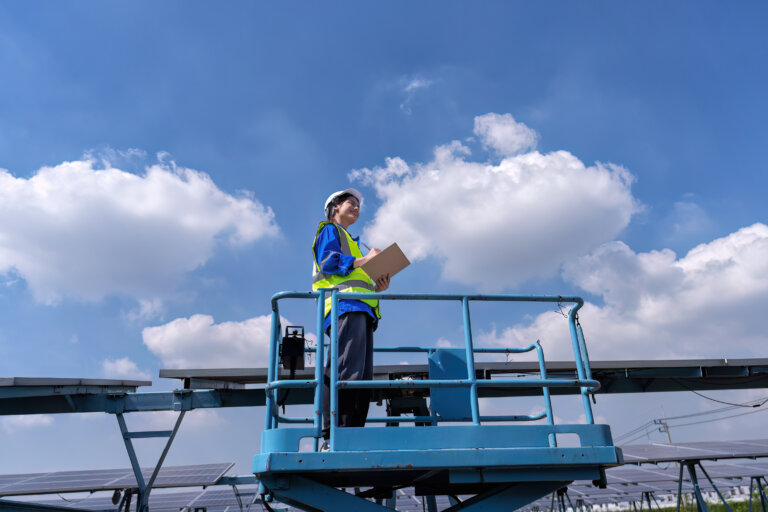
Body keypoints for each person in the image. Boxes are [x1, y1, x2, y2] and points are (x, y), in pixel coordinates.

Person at [312, 188, 390, 444]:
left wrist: (380, 283)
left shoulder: (354, 242)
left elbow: (360, 278)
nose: (357, 208)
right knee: (346, 371)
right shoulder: (329, 230)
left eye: (358, 205)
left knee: (362, 376)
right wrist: (364, 260)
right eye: (351, 203)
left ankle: (353, 431)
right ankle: (336, 432)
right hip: (344, 307)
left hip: (363, 311)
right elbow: (328, 262)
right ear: (335, 207)